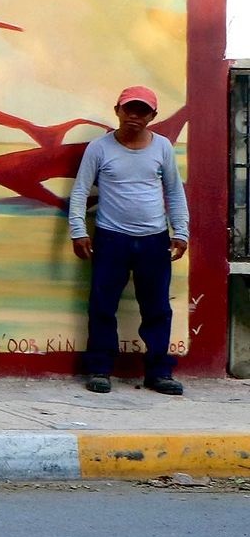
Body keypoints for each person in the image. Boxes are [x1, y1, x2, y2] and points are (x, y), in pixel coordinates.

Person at [68, 86, 189, 395]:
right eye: (129, 109)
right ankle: (99, 369)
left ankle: (159, 373)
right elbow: (81, 190)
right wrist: (78, 231)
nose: (135, 116)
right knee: (102, 306)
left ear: (153, 116)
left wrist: (182, 232)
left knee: (158, 309)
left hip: (154, 240)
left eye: (142, 111)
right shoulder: (99, 148)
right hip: (111, 239)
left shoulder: (162, 148)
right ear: (117, 110)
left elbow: (174, 192)